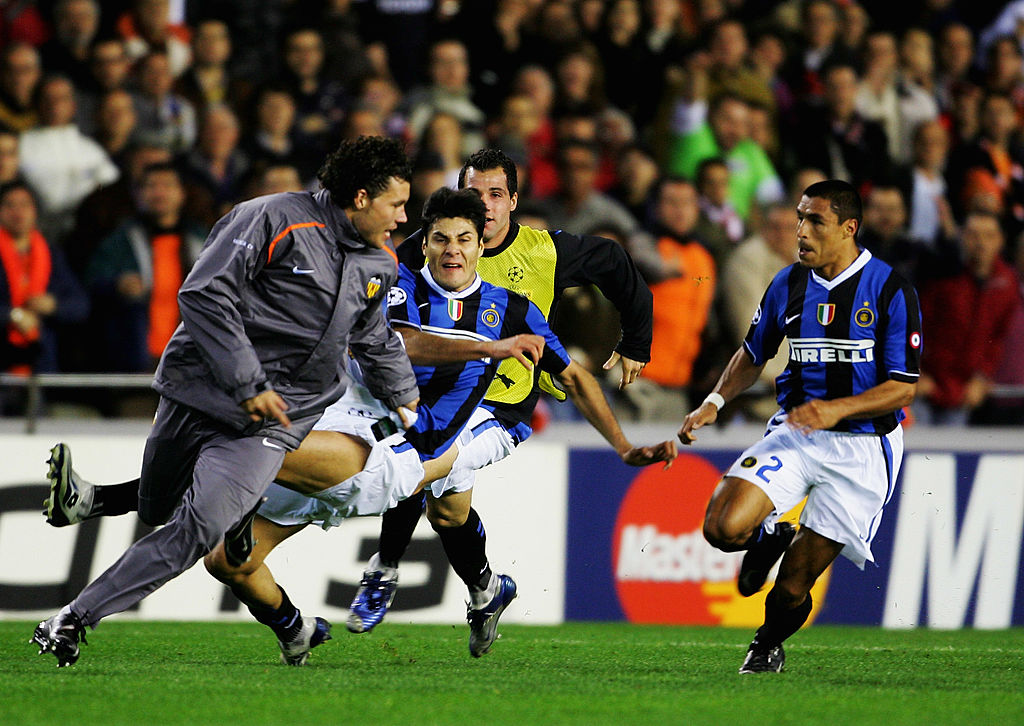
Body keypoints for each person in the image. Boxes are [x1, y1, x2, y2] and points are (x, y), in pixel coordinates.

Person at [31, 135, 419, 667]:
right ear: (360, 197)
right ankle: (249, 557)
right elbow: (203, 294)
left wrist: (405, 395)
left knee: (198, 526)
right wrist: (248, 383)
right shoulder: (269, 218)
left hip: (279, 417)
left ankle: (72, 618)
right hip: (199, 391)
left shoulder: (379, 262)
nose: (402, 218)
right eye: (396, 204)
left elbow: (373, 334)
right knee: (157, 507)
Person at [203, 187, 572, 662]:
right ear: (425, 241)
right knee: (228, 562)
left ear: (486, 238)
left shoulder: (511, 300)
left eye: (466, 234)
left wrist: (631, 353)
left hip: (456, 423)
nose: (452, 247)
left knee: (427, 485)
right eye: (440, 237)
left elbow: (604, 267)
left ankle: (387, 567)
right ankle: (297, 628)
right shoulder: (389, 276)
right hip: (378, 418)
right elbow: (391, 341)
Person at [349, 147, 668, 634]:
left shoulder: (535, 269)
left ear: (513, 201)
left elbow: (612, 264)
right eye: (475, 194)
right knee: (449, 514)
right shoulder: (421, 251)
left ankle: (383, 568)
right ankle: (487, 590)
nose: (486, 205)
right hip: (436, 400)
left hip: (501, 408)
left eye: (496, 194)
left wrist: (636, 344)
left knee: (417, 458)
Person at [678, 180, 921, 674]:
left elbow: (903, 387)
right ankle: (769, 535)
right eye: (799, 218)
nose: (800, 231)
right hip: (798, 432)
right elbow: (753, 353)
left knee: (791, 587)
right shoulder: (788, 283)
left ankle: (767, 643)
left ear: (849, 228)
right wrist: (715, 401)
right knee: (722, 528)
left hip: (864, 449)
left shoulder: (891, 289)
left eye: (815, 222)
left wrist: (837, 409)